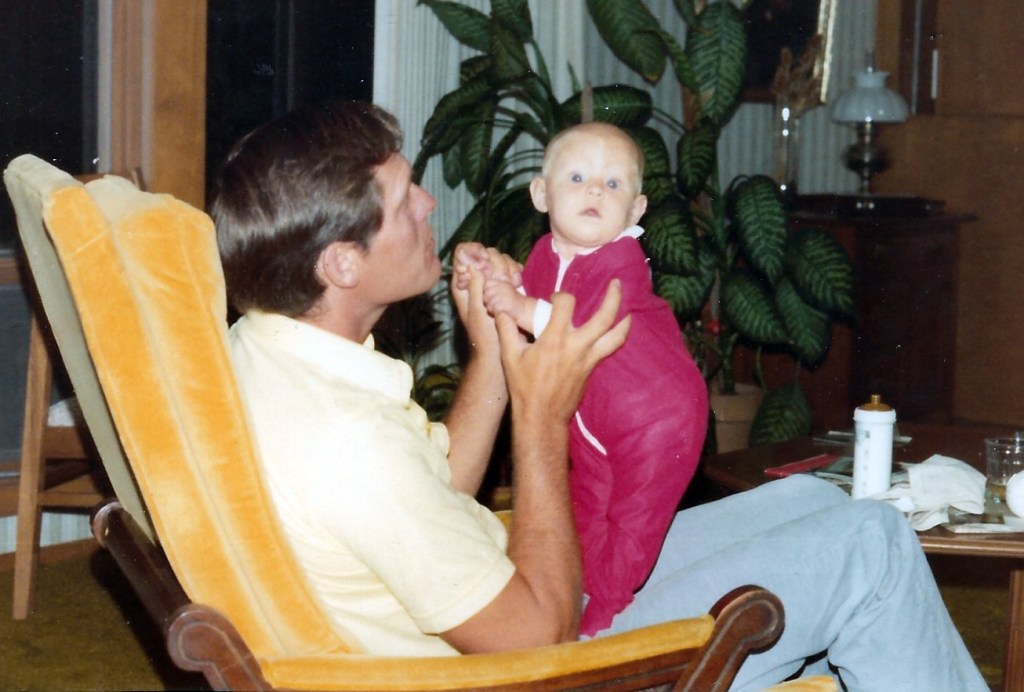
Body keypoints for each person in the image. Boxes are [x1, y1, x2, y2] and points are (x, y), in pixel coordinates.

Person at [211, 101, 987, 691]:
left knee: (819, 503)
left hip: (503, 594)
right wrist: (542, 413)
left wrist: (494, 353)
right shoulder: (348, 444)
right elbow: (540, 635)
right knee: (876, 548)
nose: (427, 204)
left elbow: (433, 494)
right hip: (549, 661)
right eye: (404, 195)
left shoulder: (277, 349)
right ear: (343, 265)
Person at [466, 122, 707, 635]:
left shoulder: (622, 263)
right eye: (577, 177)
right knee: (585, 509)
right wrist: (493, 278)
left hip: (658, 423)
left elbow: (577, 327)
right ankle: (576, 589)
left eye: (613, 184)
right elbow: (524, 301)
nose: (596, 190)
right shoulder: (543, 255)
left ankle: (607, 610)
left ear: (636, 210)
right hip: (589, 420)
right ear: (541, 194)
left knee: (633, 525)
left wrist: (522, 306)